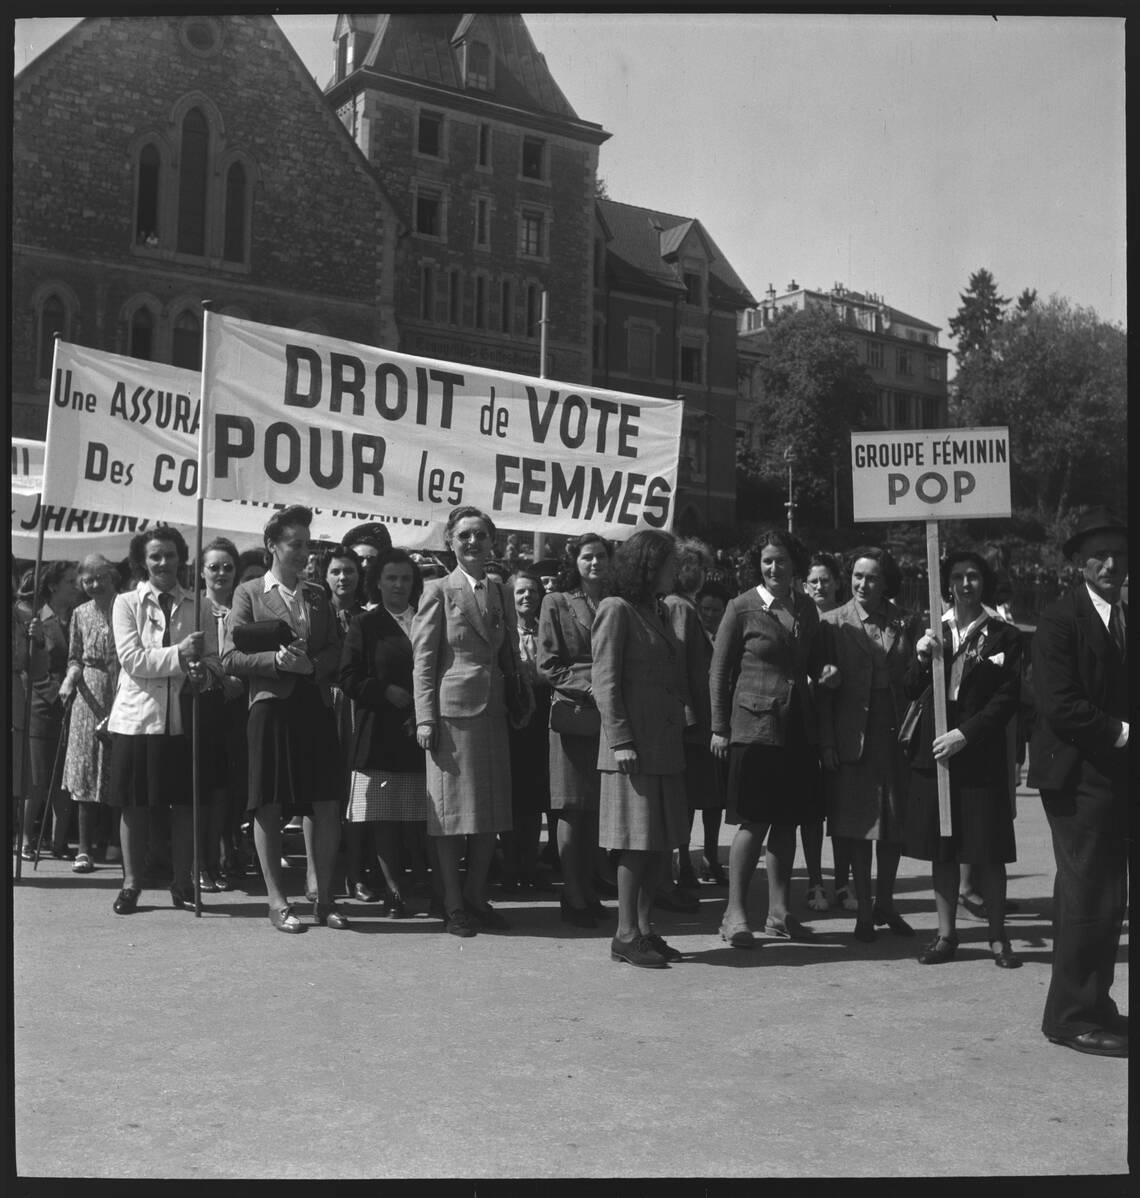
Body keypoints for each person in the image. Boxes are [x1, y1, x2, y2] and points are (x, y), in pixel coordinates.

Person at [1029, 506, 1128, 1057]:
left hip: (1114, 775)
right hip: (1074, 775)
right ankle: (1069, 1016)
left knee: (1109, 895)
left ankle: (1096, 1002)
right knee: (1087, 893)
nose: (1112, 563)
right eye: (1100, 555)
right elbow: (1062, 707)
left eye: (1120, 552)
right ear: (1078, 564)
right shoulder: (1059, 619)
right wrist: (1124, 733)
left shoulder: (1125, 613)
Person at [223, 505, 348, 933]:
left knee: (326, 800)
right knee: (269, 802)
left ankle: (325, 898)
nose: (303, 552)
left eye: (307, 544)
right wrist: (277, 661)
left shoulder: (317, 593)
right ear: (272, 545)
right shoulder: (250, 592)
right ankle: (277, 901)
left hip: (313, 704)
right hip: (271, 708)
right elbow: (231, 654)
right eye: (295, 544)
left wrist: (312, 666)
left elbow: (334, 646)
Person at [413, 506, 532, 937]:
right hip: (451, 717)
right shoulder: (438, 590)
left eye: (480, 535)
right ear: (450, 542)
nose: (472, 543)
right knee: (449, 816)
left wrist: (518, 695)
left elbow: (507, 653)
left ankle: (477, 897)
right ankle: (452, 904)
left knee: (489, 814)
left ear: (491, 541)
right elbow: (423, 661)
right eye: (464, 535)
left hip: (493, 713)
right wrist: (425, 718)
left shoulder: (499, 590)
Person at [903, 549, 1024, 968]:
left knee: (988, 848)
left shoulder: (1004, 635)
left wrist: (965, 734)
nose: (965, 584)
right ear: (947, 584)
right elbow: (908, 688)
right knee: (944, 849)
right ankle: (945, 935)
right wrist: (920, 659)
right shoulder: (934, 631)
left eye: (972, 576)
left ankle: (997, 936)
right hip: (937, 751)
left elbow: (1007, 698)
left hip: (979, 750)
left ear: (983, 582)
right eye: (957, 577)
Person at [710, 529, 829, 948]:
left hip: (797, 729)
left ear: (795, 564)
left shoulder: (806, 609)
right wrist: (719, 727)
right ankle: (734, 913)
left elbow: (815, 663)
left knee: (787, 822)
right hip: (754, 730)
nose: (773, 568)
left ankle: (779, 913)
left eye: (780, 560)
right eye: (766, 561)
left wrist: (826, 671)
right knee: (753, 822)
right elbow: (719, 672)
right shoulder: (741, 607)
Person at [106, 528, 219, 915]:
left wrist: (205, 672)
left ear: (181, 558)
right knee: (134, 804)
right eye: (155, 556)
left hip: (184, 718)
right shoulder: (125, 603)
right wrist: (179, 653)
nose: (163, 563)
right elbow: (133, 659)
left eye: (170, 555)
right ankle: (131, 883)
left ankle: (183, 882)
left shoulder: (199, 604)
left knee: (184, 804)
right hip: (138, 718)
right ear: (143, 561)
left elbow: (213, 660)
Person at [593, 528, 690, 969]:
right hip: (632, 749)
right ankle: (625, 933)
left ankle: (646, 931)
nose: (677, 571)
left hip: (664, 745)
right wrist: (622, 741)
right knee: (635, 842)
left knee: (658, 844)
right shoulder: (617, 609)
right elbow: (605, 683)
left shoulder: (659, 609)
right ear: (649, 565)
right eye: (670, 563)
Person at [817, 547, 921, 942]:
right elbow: (823, 692)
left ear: (885, 582)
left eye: (873, 577)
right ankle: (863, 909)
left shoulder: (904, 622)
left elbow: (913, 677)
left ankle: (886, 903)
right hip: (852, 737)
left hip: (895, 733)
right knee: (859, 827)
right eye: (858, 576)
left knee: (893, 826)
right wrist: (827, 744)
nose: (863, 584)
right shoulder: (832, 623)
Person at [340, 547, 429, 919]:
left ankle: (426, 886)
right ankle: (393, 890)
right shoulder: (365, 624)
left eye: (406, 578)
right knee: (385, 819)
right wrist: (384, 691)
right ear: (377, 582)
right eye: (391, 578)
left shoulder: (427, 618)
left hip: (422, 731)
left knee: (420, 819)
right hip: (380, 733)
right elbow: (347, 677)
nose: (399, 585)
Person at [537, 531, 613, 927]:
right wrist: (588, 689)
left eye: (601, 556)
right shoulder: (557, 602)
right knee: (570, 808)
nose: (595, 563)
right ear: (576, 562)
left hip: (609, 716)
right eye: (588, 557)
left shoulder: (618, 604)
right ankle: (571, 894)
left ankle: (587, 888)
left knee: (596, 810)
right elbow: (547, 663)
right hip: (573, 714)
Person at [663, 537, 722, 898]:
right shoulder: (681, 608)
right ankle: (682, 864)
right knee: (686, 800)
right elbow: (681, 666)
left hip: (690, 719)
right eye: (693, 566)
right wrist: (691, 717)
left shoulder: (681, 605)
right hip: (691, 723)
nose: (698, 574)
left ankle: (685, 862)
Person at [802, 551, 856, 912]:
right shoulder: (802, 619)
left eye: (825, 579)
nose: (820, 586)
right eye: (813, 581)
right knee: (809, 812)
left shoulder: (848, 622)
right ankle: (814, 882)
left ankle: (842, 882)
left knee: (841, 810)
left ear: (837, 581)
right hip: (806, 725)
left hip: (842, 724)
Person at [58, 555, 120, 872]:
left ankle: (113, 841)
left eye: (100, 578)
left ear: (112, 577)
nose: (94, 584)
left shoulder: (126, 606)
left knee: (116, 770)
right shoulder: (80, 614)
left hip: (121, 688)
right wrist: (70, 679)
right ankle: (83, 848)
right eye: (88, 580)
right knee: (85, 769)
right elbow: (74, 657)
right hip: (88, 695)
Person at [195, 537, 248, 891]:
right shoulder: (194, 607)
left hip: (239, 705)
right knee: (204, 787)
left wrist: (238, 679)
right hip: (203, 703)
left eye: (228, 567)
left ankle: (225, 855)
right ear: (202, 571)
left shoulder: (245, 606)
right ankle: (202, 862)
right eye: (214, 567)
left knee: (229, 789)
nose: (221, 573)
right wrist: (218, 675)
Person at [20, 559, 81, 860]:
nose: (76, 586)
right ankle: (27, 839)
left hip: (73, 707)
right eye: (70, 581)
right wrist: (55, 695)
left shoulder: (77, 618)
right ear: (54, 586)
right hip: (44, 706)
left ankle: (59, 843)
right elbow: (31, 669)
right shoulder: (37, 620)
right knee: (39, 778)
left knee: (64, 779)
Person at [500, 568, 553, 893]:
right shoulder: (503, 631)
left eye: (532, 591)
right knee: (509, 795)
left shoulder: (546, 629)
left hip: (540, 716)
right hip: (509, 716)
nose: (527, 597)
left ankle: (530, 863)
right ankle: (509, 865)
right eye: (520, 592)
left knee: (534, 796)